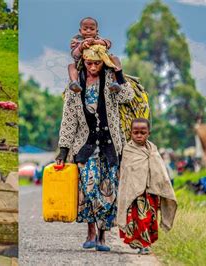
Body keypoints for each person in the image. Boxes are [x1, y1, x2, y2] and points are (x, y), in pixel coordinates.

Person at [56, 45, 134, 251]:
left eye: (97, 63)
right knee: (89, 190)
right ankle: (90, 232)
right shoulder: (75, 85)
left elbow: (128, 97)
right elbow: (69, 119)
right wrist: (63, 150)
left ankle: (102, 237)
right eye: (89, 63)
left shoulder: (110, 81)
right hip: (85, 147)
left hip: (110, 147)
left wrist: (119, 72)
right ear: (84, 63)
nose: (92, 67)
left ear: (103, 63)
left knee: (108, 193)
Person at [118, 118, 177, 255]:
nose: (139, 135)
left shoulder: (153, 150)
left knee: (149, 219)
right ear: (130, 133)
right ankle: (142, 245)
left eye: (142, 132)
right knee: (138, 220)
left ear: (149, 133)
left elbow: (160, 172)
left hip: (151, 193)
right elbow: (126, 175)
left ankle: (146, 243)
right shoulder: (128, 150)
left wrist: (160, 188)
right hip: (134, 195)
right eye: (136, 132)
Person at [68, 17, 121, 93]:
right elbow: (74, 55)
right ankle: (74, 82)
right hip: (83, 65)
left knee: (115, 58)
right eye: (85, 29)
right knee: (71, 66)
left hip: (102, 63)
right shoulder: (77, 41)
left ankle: (116, 81)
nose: (88, 31)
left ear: (97, 31)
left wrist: (95, 42)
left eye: (92, 29)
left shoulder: (99, 39)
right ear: (80, 31)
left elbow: (108, 43)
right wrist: (81, 47)